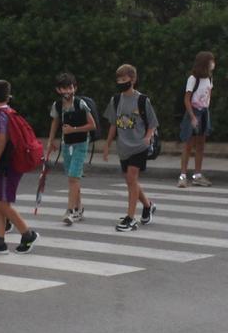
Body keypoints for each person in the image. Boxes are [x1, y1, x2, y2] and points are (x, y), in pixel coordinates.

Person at [0, 79, 39, 253]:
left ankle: (27, 233)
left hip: (7, 165)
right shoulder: (10, 111)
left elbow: (2, 141)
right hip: (11, 162)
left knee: (2, 203)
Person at [102, 63, 159, 231]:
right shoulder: (116, 100)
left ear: (133, 80)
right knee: (130, 181)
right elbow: (113, 124)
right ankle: (148, 205)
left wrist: (148, 138)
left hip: (139, 146)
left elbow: (152, 123)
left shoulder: (142, 100)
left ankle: (130, 218)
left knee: (132, 179)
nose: (121, 82)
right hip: (123, 147)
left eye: (124, 79)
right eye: (118, 79)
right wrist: (107, 145)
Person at [44, 72, 98, 223]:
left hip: (81, 143)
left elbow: (92, 125)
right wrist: (50, 141)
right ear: (58, 90)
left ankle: (70, 210)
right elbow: (55, 122)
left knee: (73, 177)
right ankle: (79, 209)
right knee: (73, 178)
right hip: (66, 144)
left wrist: (73, 129)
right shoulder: (58, 105)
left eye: (69, 88)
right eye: (63, 89)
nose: (67, 91)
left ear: (75, 87)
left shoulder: (80, 104)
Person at [178, 51, 215, 186]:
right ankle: (182, 176)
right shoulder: (193, 79)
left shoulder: (210, 78)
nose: (213, 64)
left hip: (204, 112)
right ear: (204, 63)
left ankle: (197, 175)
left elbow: (208, 96)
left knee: (200, 145)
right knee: (188, 145)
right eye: (211, 61)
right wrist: (192, 116)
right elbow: (186, 99)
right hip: (193, 112)